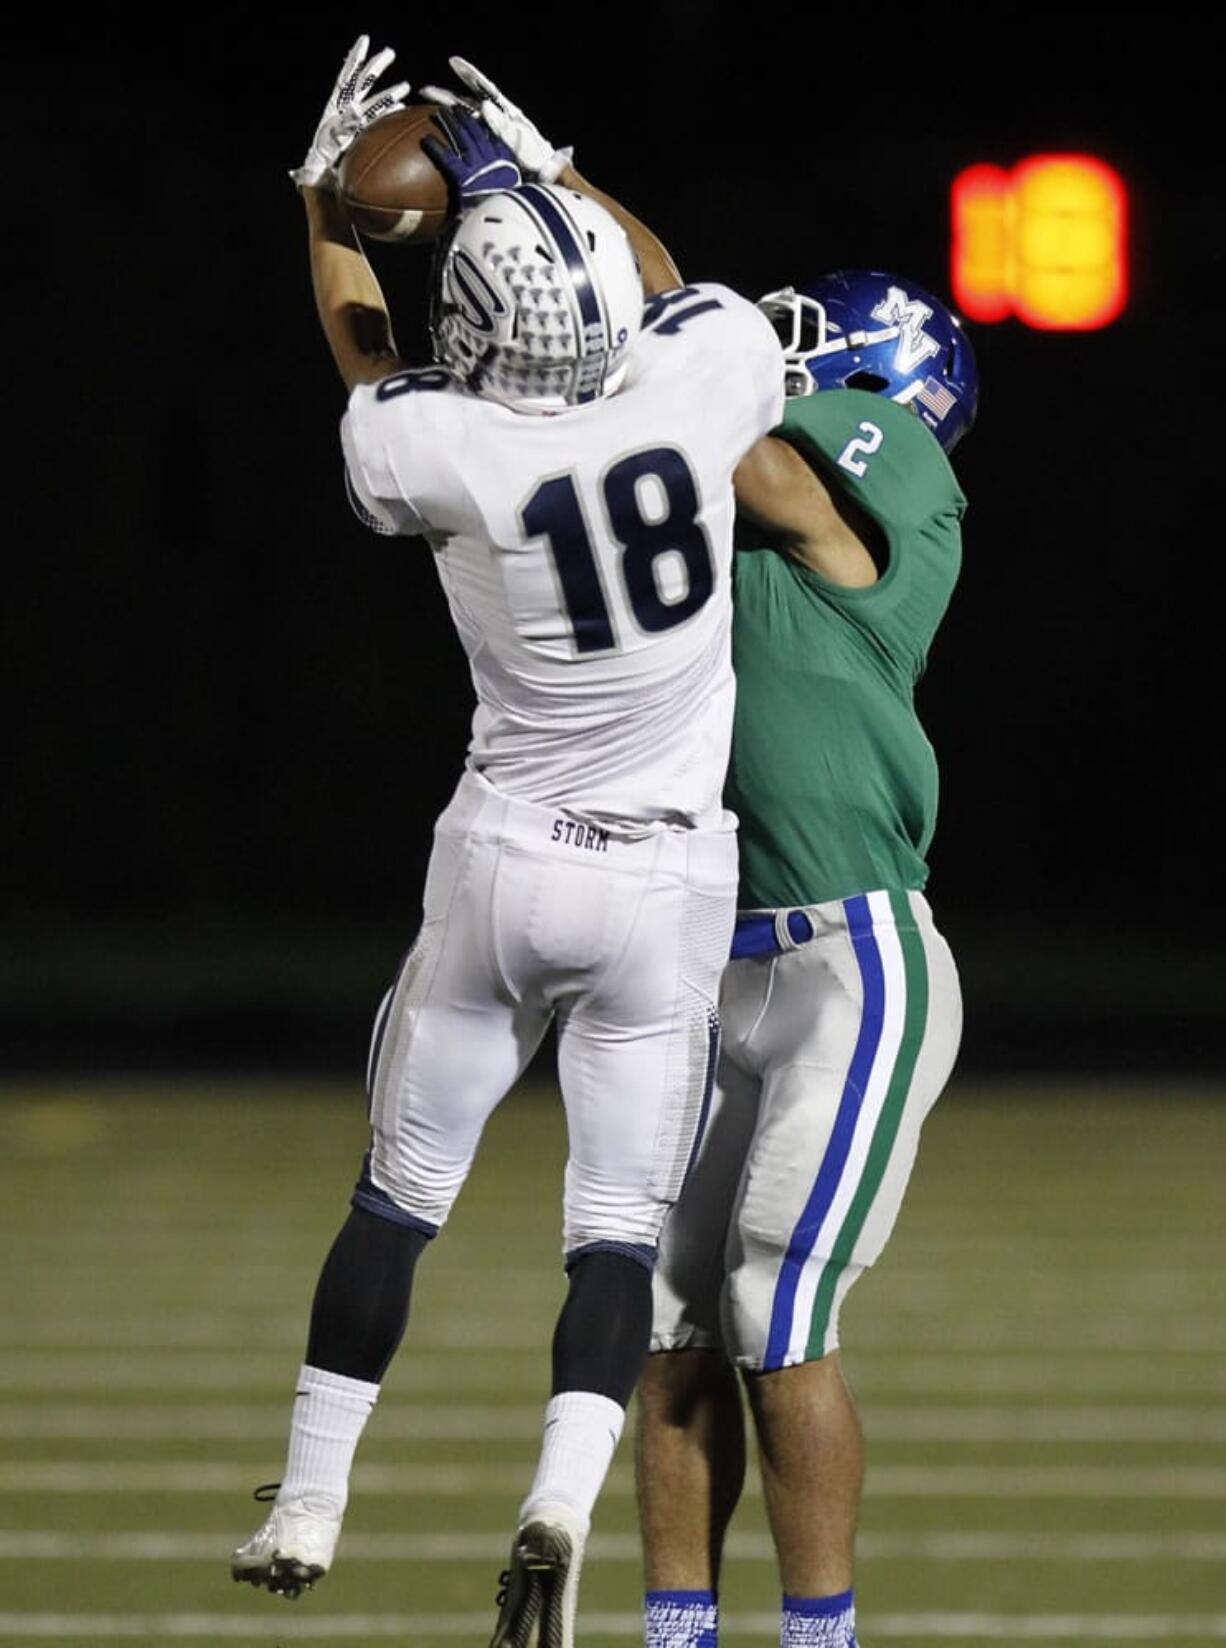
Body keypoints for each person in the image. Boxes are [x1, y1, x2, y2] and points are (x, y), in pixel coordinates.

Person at [229, 38, 785, 1648]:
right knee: (614, 1233)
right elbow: (674, 289)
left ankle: (314, 1494)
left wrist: (323, 199)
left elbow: (360, 345)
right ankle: (557, 1495)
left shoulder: (443, 451)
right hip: (665, 879)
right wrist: (551, 173)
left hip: (504, 863)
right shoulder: (697, 380)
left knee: (399, 1196)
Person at [635, 273, 977, 1648]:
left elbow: (749, 458)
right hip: (704, 963)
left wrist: (634, 347)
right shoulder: (739, 522)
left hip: (854, 960)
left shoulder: (883, 482)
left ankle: (819, 1640)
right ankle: (674, 1634)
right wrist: (553, 186)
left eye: (803, 332)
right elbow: (665, 329)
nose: (773, 346)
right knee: (662, 1326)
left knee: (774, 1304)